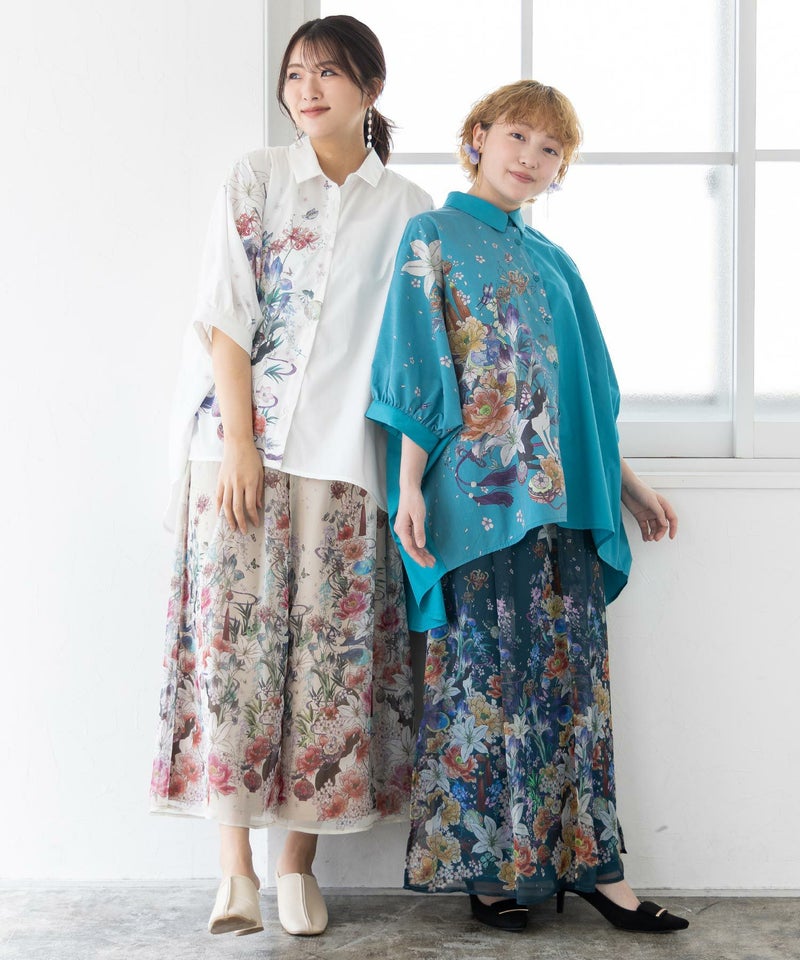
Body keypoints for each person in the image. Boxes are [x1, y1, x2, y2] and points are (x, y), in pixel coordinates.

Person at [367, 80, 689, 933]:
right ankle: (490, 874)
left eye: (551, 150)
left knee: (572, 691)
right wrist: (407, 488)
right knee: (484, 686)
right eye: (518, 136)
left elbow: (581, 397)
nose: (532, 159)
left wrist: (629, 486)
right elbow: (415, 367)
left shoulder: (555, 263)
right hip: (476, 504)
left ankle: (599, 872)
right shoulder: (431, 236)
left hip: (565, 510)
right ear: (478, 136)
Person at [149, 14, 432, 939]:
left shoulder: (411, 209)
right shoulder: (258, 176)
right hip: (236, 453)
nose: (307, 90)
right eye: (297, 73)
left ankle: (296, 869)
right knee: (232, 654)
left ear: (371, 89)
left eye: (329, 73)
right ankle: (232, 872)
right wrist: (240, 443)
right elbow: (225, 313)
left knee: (328, 667)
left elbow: (413, 352)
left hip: (347, 462)